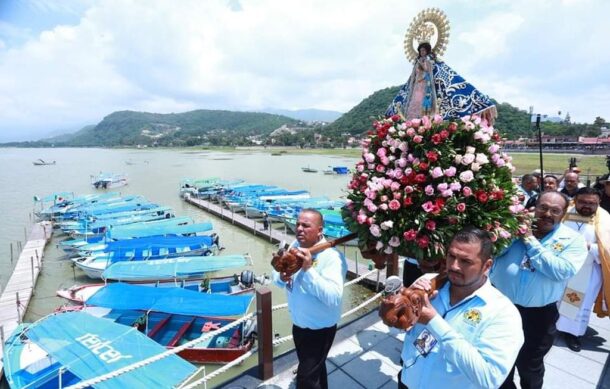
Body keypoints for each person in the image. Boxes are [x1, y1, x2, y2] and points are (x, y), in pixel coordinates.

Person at [397, 226, 524, 389]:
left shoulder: (503, 313)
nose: (455, 266)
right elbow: (406, 329)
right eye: (451, 256)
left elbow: (489, 378)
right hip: (408, 381)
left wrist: (434, 321)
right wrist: (405, 305)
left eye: (466, 261)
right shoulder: (430, 285)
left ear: (487, 266)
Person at [490, 191, 588, 389]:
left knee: (529, 364)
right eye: (543, 208)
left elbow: (561, 271)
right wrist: (511, 233)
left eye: (555, 210)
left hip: (538, 315)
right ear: (534, 208)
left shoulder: (572, 240)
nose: (547, 214)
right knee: (499, 360)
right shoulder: (513, 229)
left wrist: (530, 241)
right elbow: (490, 252)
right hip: (500, 309)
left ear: (563, 213)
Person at [272, 209, 347, 389]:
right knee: (315, 370)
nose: (299, 229)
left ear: (320, 230)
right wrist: (281, 278)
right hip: (299, 324)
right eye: (298, 224)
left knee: (305, 379)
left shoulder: (332, 258)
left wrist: (308, 269)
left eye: (306, 225)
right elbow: (278, 279)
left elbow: (333, 297)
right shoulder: (295, 247)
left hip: (319, 329)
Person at [387, 42, 497, 124]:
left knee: (426, 107)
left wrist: (424, 64)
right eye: (420, 51)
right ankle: (412, 122)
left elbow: (431, 70)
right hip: (417, 87)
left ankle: (425, 121)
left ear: (428, 51)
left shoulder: (431, 61)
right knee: (413, 105)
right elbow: (413, 77)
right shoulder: (417, 62)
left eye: (424, 51)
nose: (422, 52)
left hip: (427, 87)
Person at [557, 187, 610, 351]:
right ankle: (552, 327)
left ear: (598, 202)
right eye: (582, 202)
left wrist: (589, 247)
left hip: (587, 270)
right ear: (575, 200)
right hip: (560, 265)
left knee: (577, 303)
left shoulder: (605, 219)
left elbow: (607, 247)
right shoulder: (564, 212)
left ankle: (573, 333)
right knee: (556, 299)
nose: (586, 206)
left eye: (591, 203)